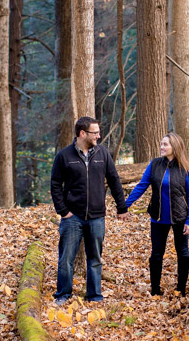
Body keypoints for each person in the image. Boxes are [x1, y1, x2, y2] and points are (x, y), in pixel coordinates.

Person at [50, 116, 129, 304]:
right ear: (82, 133)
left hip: (96, 217)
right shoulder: (64, 156)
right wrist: (63, 211)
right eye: (95, 133)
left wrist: (122, 207)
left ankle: (94, 296)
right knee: (65, 259)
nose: (98, 136)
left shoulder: (102, 154)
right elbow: (55, 184)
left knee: (95, 259)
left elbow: (114, 180)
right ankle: (63, 295)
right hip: (72, 217)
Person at [124, 133, 189, 296]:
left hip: (180, 218)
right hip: (158, 217)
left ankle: (181, 289)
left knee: (183, 253)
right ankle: (155, 289)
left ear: (175, 147)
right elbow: (142, 186)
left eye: (165, 145)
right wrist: (124, 205)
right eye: (161, 144)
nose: (162, 147)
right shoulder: (155, 164)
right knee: (156, 254)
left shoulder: (185, 169)